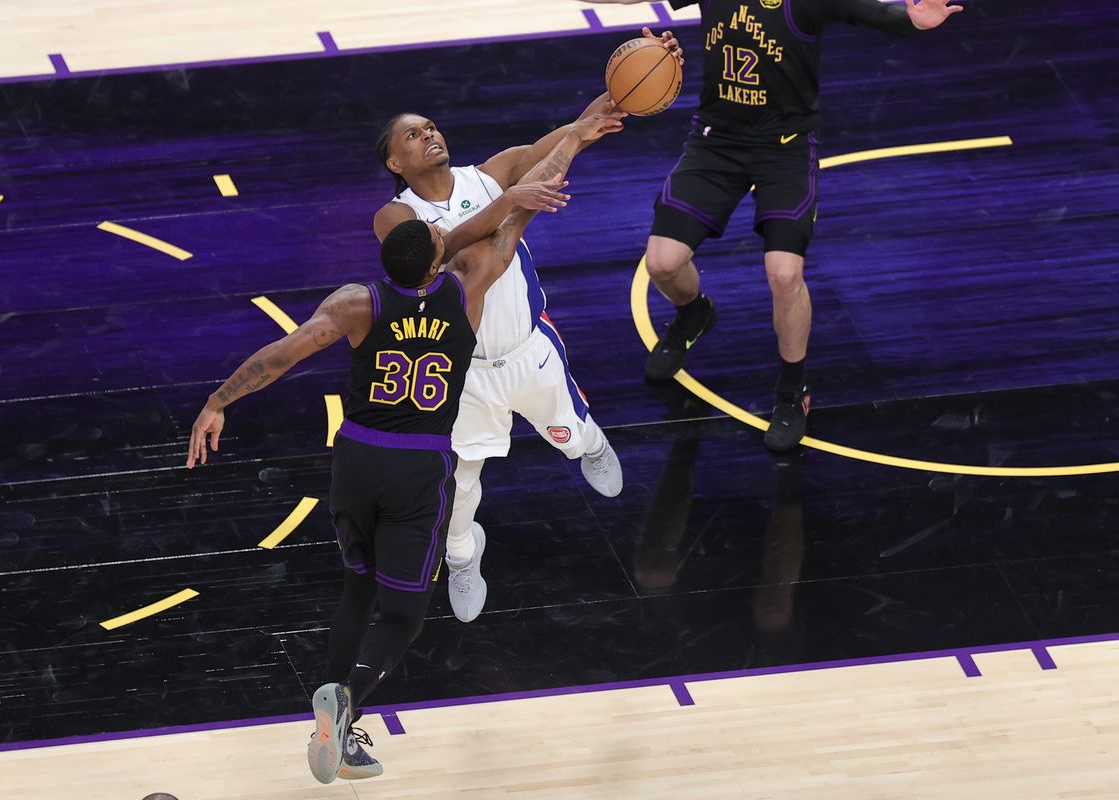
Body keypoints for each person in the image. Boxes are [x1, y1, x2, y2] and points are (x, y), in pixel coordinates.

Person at [184, 107, 624, 784]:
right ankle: (347, 702)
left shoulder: (358, 304)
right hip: (418, 467)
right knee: (404, 614)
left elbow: (281, 355)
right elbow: (512, 223)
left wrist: (218, 401)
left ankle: (337, 714)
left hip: (358, 459)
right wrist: (562, 155)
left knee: (357, 591)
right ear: (437, 257)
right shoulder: (465, 294)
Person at [371, 54, 675, 623]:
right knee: (459, 484)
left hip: (526, 348)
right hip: (457, 374)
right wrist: (509, 202)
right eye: (413, 134)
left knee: (568, 434)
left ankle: (589, 445)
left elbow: (573, 133)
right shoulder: (393, 217)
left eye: (430, 126)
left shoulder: (494, 170)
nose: (429, 134)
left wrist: (632, 80)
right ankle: (463, 557)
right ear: (394, 161)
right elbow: (442, 253)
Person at [583, 0, 962, 450]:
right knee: (662, 263)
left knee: (784, 275)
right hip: (716, 142)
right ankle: (694, 313)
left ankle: (793, 389)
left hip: (786, 149)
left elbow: (868, 12)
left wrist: (912, 20)